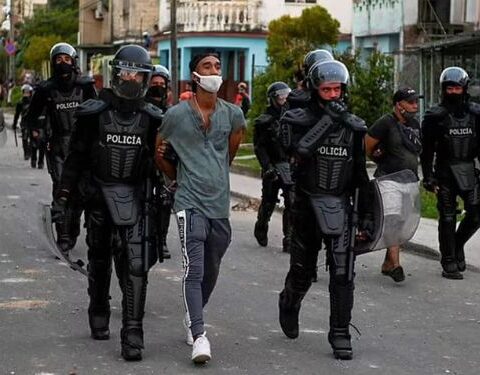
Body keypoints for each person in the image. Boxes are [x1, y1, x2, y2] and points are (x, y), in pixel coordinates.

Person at [52, 45, 162, 361]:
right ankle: (98, 306)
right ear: (116, 74)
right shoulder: (93, 113)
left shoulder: (153, 118)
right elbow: (75, 159)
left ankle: (133, 334)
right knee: (100, 260)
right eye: (126, 72)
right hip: (99, 196)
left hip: (137, 197)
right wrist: (63, 198)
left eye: (137, 74)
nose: (131, 78)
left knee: (136, 267)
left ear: (145, 78)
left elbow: (164, 162)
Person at [155, 53, 246, 363]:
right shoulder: (176, 115)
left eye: (218, 66)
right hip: (188, 202)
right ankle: (199, 334)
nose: (214, 71)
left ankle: (193, 313)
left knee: (213, 264)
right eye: (208, 66)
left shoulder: (233, 114)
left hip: (218, 203)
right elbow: (160, 152)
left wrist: (213, 175)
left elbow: (229, 153)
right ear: (195, 75)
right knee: (193, 267)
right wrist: (176, 178)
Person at [277, 60, 370, 360]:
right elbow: (297, 153)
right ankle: (289, 303)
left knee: (343, 273)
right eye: (326, 89)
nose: (333, 95)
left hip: (341, 205)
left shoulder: (355, 126)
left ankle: (340, 332)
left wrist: (367, 214)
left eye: (337, 89)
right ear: (316, 90)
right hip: (306, 204)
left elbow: (360, 173)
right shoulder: (295, 119)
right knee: (302, 273)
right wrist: (328, 121)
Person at [24, 42, 96, 253]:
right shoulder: (46, 89)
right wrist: (36, 132)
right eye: (59, 59)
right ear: (53, 62)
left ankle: (78, 226)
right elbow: (31, 116)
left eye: (67, 59)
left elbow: (101, 113)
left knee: (83, 190)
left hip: (84, 145)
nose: (63, 63)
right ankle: (63, 233)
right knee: (61, 187)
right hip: (57, 145)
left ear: (73, 62)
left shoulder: (85, 86)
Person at [421, 67, 480, 280]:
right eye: (449, 88)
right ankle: (448, 260)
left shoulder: (475, 114)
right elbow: (426, 150)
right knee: (447, 217)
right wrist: (428, 177)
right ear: (443, 89)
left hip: (469, 170)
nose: (453, 92)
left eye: (457, 87)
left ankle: (457, 244)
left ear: (464, 88)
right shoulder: (434, 117)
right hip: (445, 172)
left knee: (475, 213)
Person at [365, 88, 422, 282]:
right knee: (394, 219)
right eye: (411, 102)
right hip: (389, 179)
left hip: (409, 179)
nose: (415, 105)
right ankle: (396, 265)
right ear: (399, 105)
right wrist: (379, 156)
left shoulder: (415, 125)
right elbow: (368, 145)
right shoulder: (385, 123)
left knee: (405, 222)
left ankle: (387, 263)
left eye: (416, 101)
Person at [253, 81, 293, 252]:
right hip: (273, 165)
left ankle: (289, 238)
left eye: (286, 95)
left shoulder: (293, 117)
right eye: (280, 96)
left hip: (289, 166)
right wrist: (267, 166)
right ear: (273, 99)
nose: (284, 99)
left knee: (292, 202)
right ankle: (261, 225)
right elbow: (259, 147)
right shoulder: (264, 121)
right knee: (269, 201)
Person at [145, 64, 174, 259]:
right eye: (153, 83)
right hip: (142, 162)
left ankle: (161, 239)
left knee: (164, 201)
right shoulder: (140, 109)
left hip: (163, 164)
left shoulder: (172, 113)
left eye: (161, 84)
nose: (157, 87)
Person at [13, 84, 33, 162]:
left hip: (32, 122)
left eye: (28, 92)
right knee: (25, 138)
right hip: (24, 122)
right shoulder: (20, 103)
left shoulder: (33, 101)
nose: (26, 94)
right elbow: (17, 114)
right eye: (25, 92)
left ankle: (31, 151)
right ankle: (26, 153)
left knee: (33, 138)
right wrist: (14, 124)